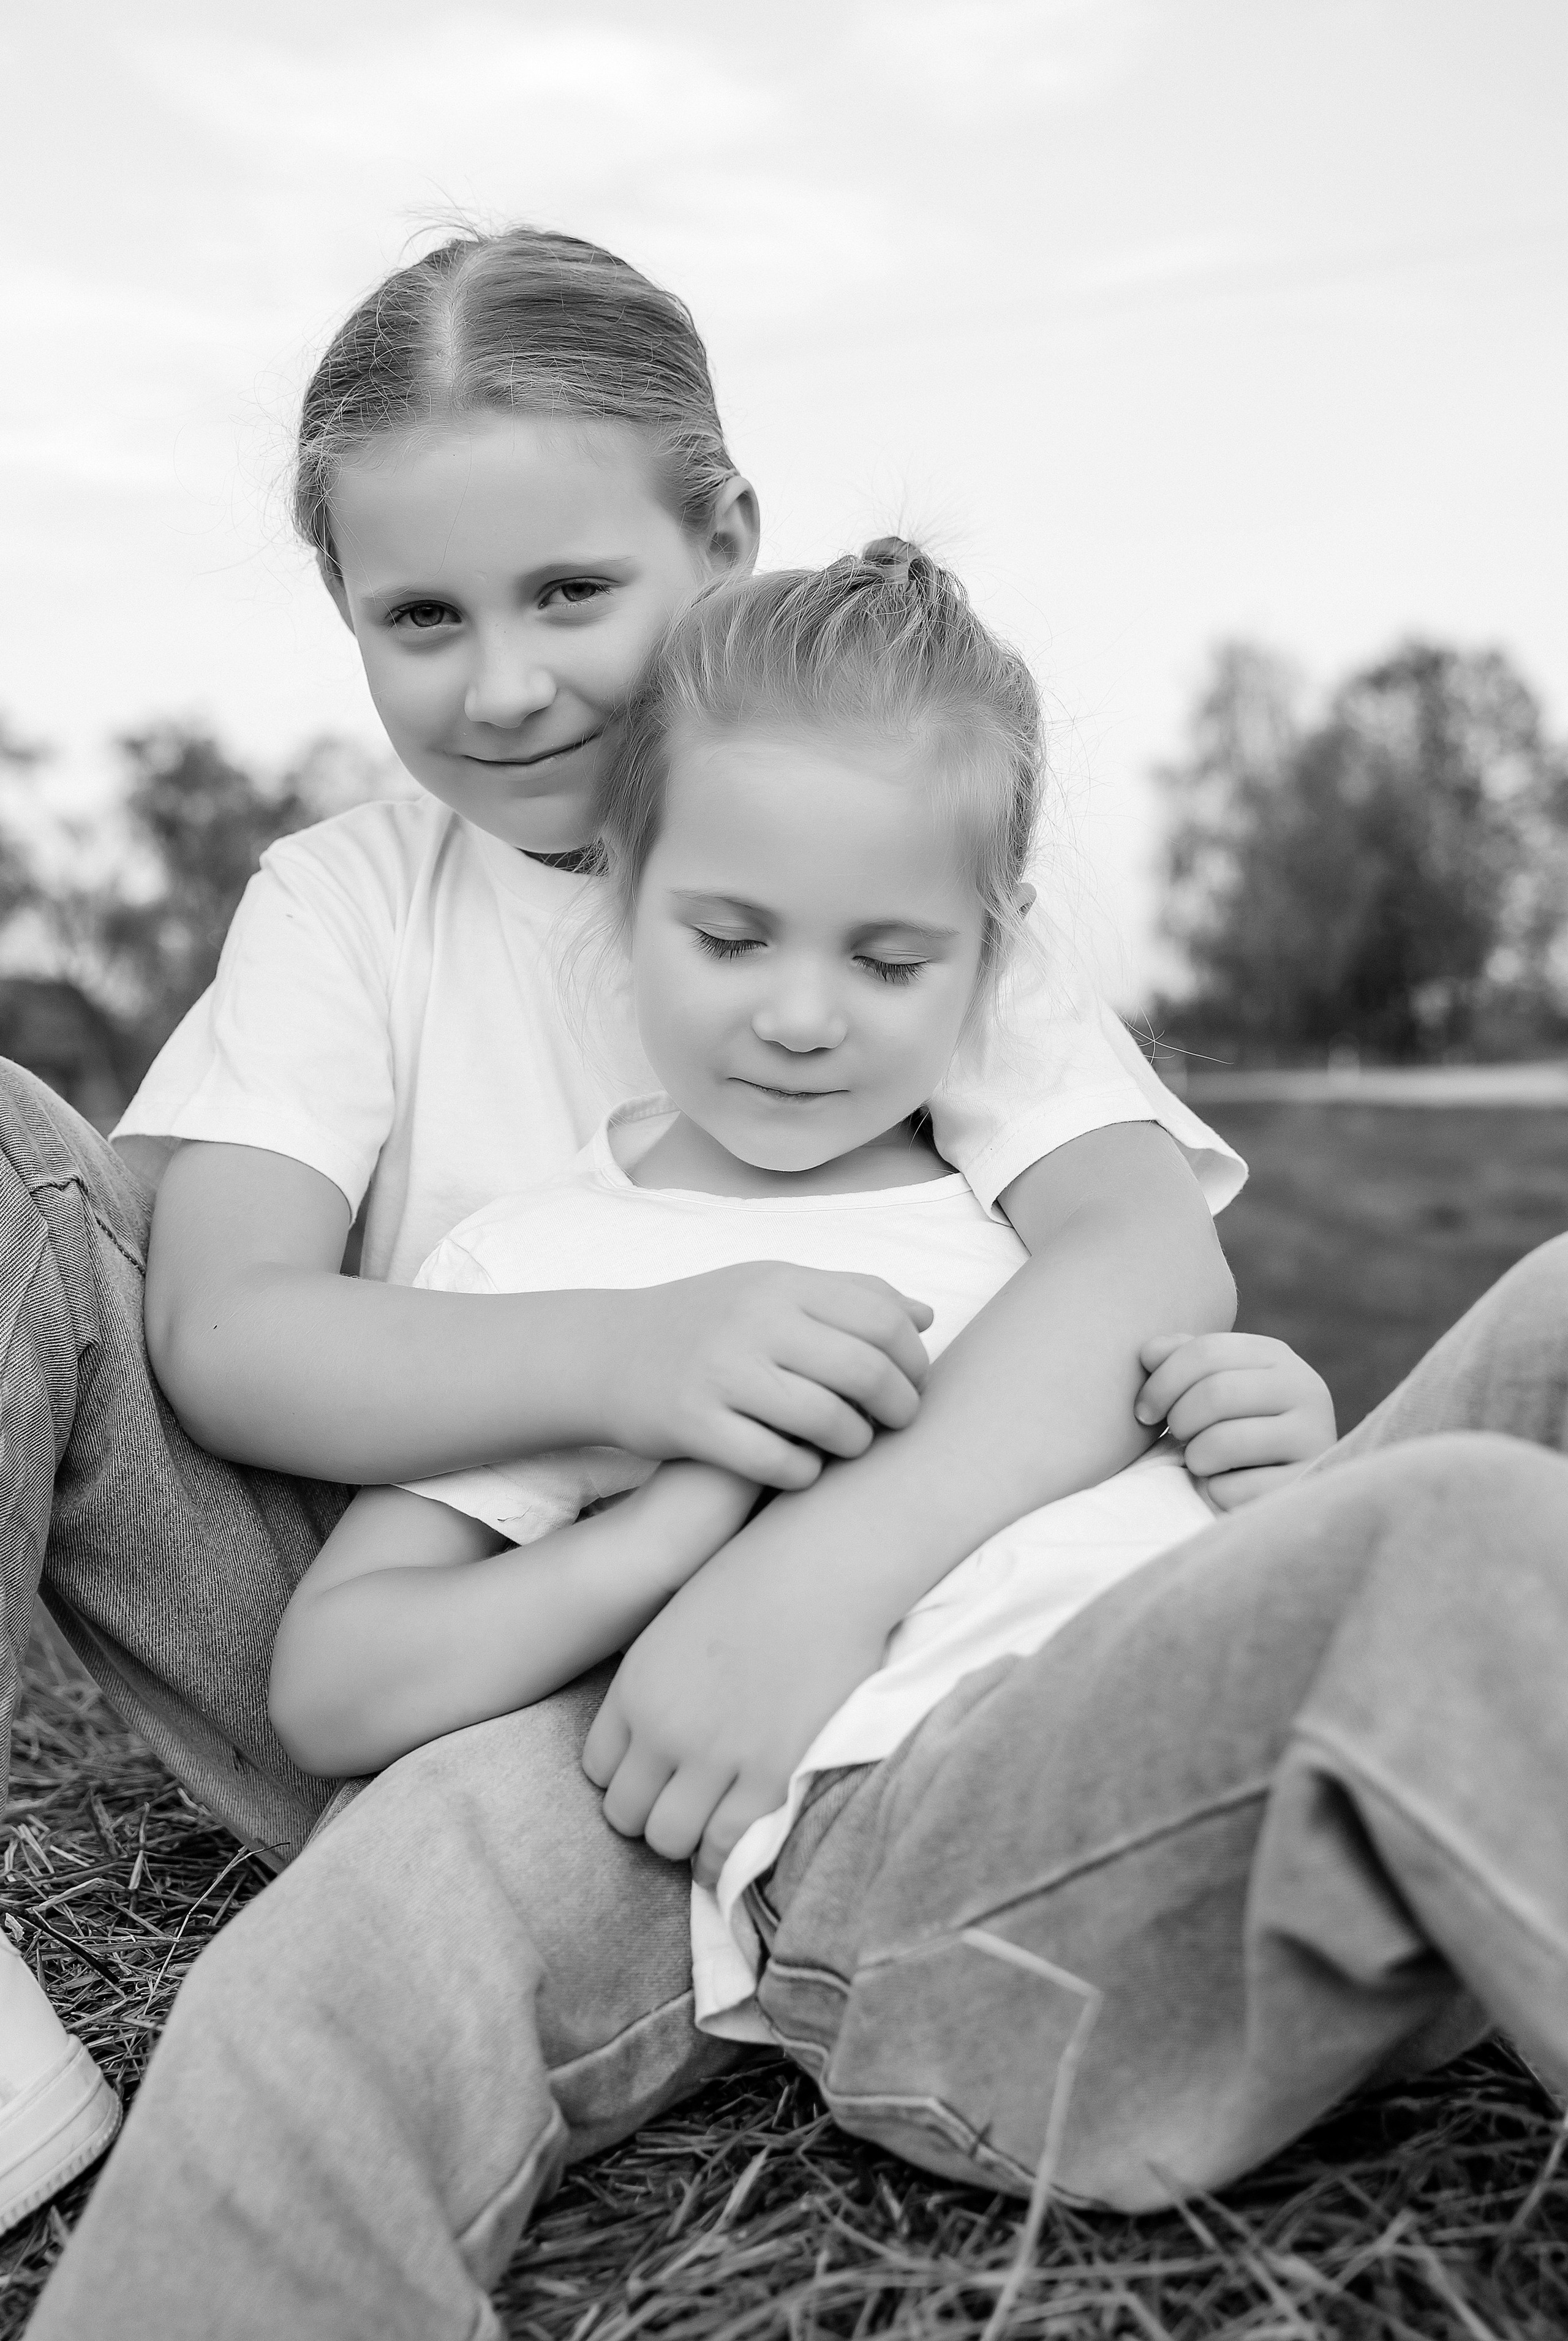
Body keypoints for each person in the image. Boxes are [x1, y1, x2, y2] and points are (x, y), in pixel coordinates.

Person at [1, 222, 1269, 2237]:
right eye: (423, 617)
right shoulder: (348, 898)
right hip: (384, 1659)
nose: (506, 684)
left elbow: (1138, 1255)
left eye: (572, 591)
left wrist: (816, 1578)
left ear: (724, 536)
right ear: (343, 612)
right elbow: (226, 1333)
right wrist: (638, 1358)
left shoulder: (869, 861)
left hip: (831, 1671)